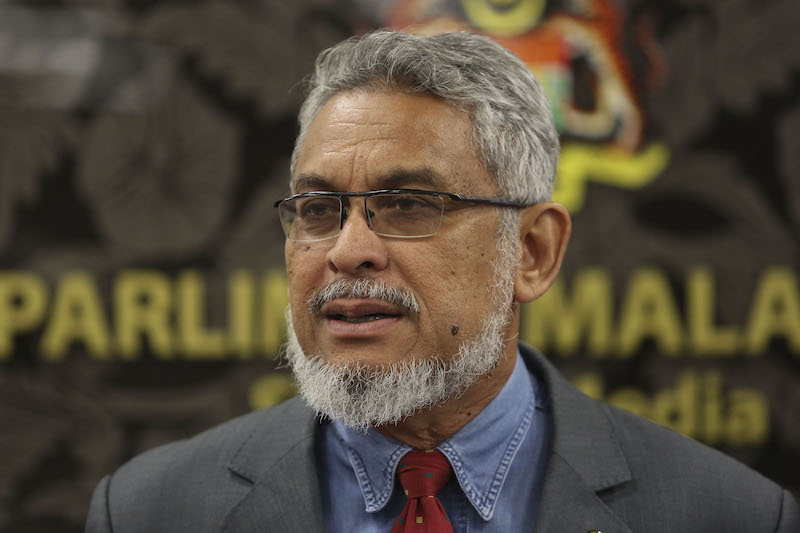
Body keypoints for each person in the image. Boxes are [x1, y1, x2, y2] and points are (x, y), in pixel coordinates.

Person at [85, 30, 799, 533]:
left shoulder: (728, 515)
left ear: (532, 251)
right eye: (319, 209)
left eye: (409, 204)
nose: (348, 251)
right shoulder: (150, 510)